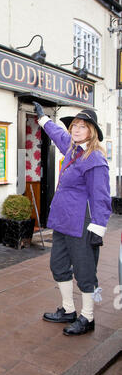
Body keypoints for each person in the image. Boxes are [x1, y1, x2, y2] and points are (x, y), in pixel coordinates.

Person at [33, 102, 112, 336]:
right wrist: (43, 120)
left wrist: (98, 229)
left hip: (82, 223)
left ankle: (87, 317)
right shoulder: (72, 148)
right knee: (57, 265)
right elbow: (58, 134)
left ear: (92, 131)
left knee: (85, 271)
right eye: (74, 126)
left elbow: (101, 197)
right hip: (62, 221)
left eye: (82, 126)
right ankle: (68, 310)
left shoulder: (94, 158)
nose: (76, 130)